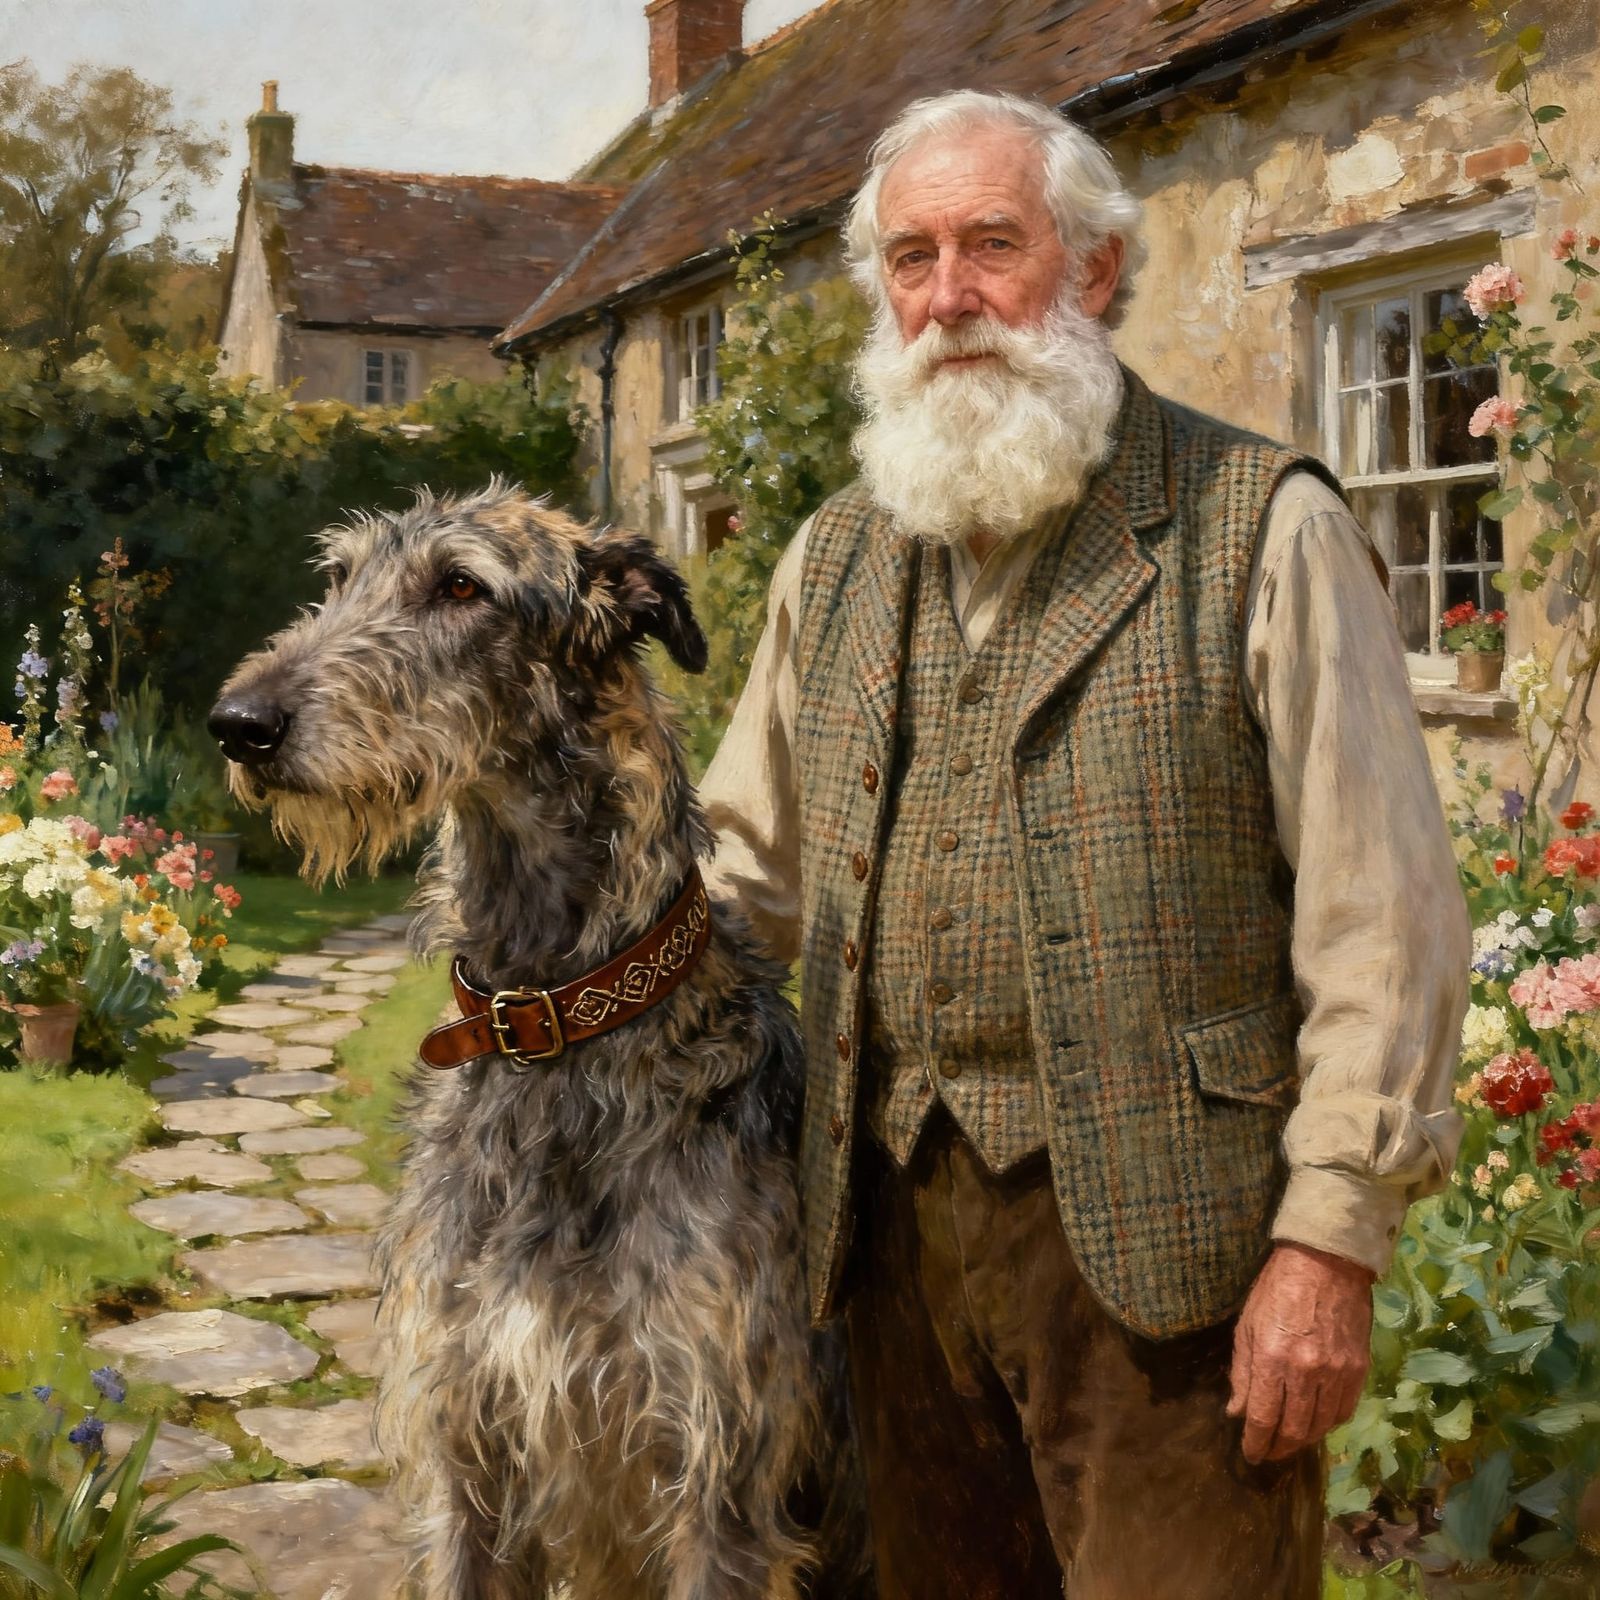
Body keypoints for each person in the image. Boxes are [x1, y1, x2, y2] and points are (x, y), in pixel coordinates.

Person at [698, 89, 1471, 1599]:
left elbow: (1385, 919)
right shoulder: (834, 554)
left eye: (996, 245)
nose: (951, 300)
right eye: (912, 260)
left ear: (1097, 270)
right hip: (889, 1255)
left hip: (1171, 1259)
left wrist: (1329, 1245)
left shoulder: (1261, 525)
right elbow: (743, 878)